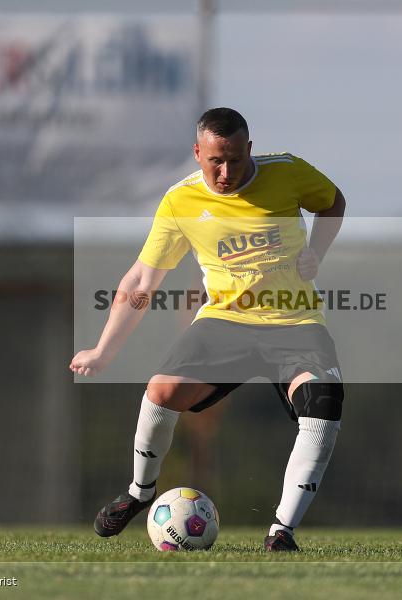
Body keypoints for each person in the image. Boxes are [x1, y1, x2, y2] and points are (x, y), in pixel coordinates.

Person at [70, 107, 346, 551]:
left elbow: (333, 201)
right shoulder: (181, 201)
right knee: (160, 391)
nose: (225, 171)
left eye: (235, 159)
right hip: (225, 322)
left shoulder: (288, 171)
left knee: (324, 404)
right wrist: (103, 351)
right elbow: (142, 280)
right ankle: (141, 493)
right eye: (215, 160)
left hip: (295, 320)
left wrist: (317, 249)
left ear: (249, 149)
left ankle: (281, 532)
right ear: (197, 153)